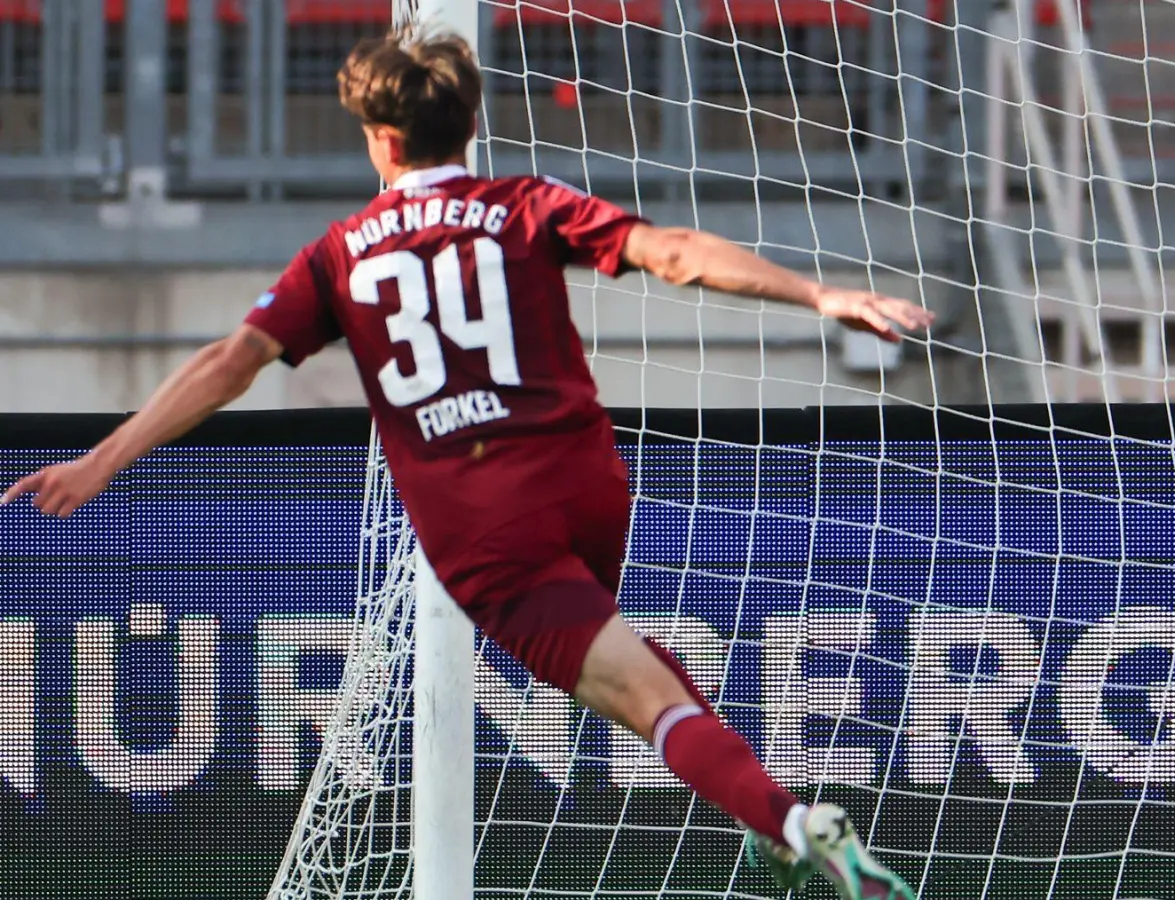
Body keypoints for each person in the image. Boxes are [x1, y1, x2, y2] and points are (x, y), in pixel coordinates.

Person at [2, 26, 928, 900]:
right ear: (470, 125)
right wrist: (820, 291)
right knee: (633, 673)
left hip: (485, 522)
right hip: (586, 478)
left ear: (380, 142)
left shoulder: (339, 257)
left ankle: (795, 822)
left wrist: (102, 460)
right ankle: (770, 822)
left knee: (642, 699)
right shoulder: (524, 205)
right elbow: (674, 252)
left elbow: (227, 365)